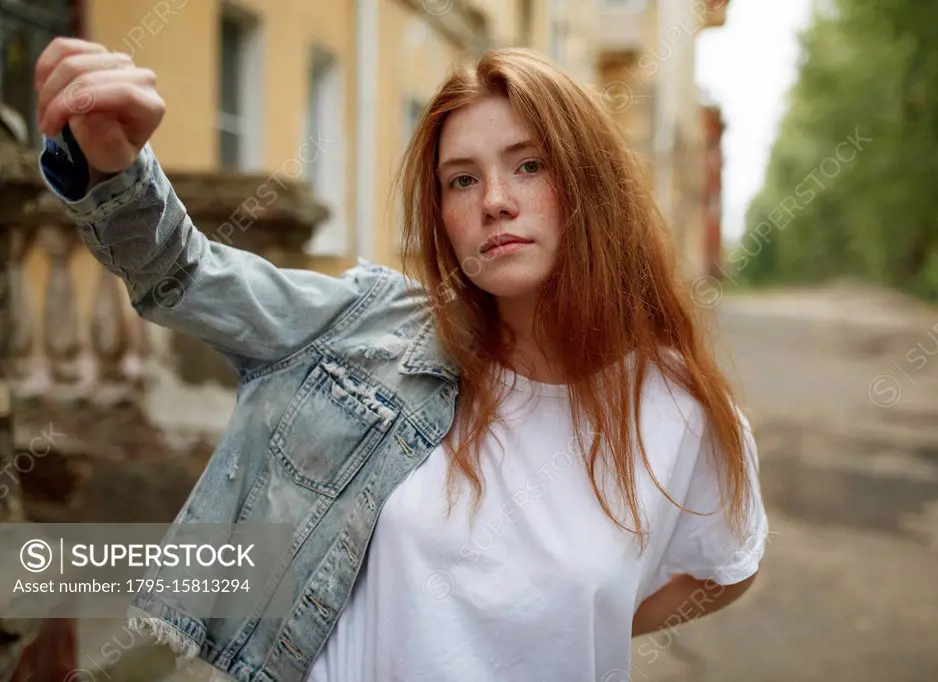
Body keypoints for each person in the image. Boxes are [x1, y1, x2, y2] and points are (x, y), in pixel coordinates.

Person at [34, 37, 768, 682]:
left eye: (530, 165)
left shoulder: (678, 410)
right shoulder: (371, 332)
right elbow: (183, 275)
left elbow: (728, 564)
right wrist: (116, 165)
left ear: (591, 185)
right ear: (442, 214)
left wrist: (585, 615)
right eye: (463, 179)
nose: (496, 202)